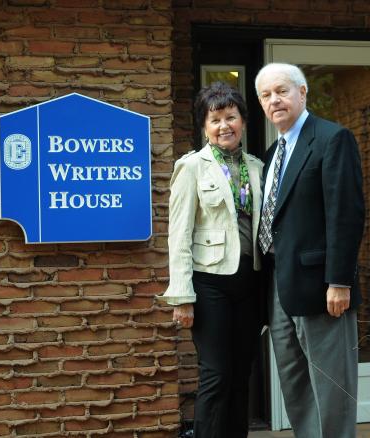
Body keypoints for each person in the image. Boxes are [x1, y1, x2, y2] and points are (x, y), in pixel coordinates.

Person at [255, 63, 365, 438]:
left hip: (323, 289)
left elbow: (346, 214)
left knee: (332, 387)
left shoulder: (333, 139)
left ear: (303, 93)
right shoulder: (272, 154)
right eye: (266, 95)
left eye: (282, 91)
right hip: (280, 288)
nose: (275, 100)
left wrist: (339, 280)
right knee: (296, 385)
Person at [161, 81, 263, 438]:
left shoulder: (257, 167)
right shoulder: (191, 168)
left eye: (231, 117)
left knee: (241, 373)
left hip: (250, 285)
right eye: (215, 119)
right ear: (204, 126)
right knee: (216, 374)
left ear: (244, 122)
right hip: (209, 284)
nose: (224, 126)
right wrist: (182, 296)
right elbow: (178, 235)